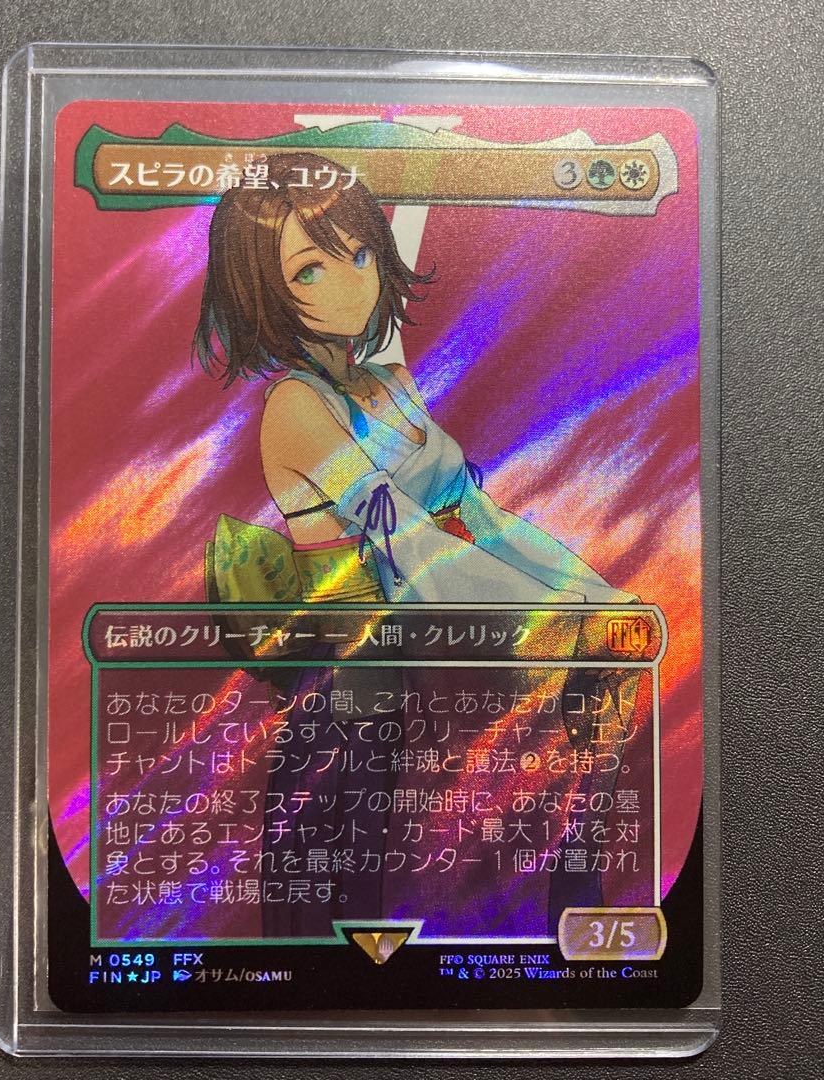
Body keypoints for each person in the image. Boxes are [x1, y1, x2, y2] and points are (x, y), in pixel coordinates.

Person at [194, 151, 639, 936]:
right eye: (308, 270)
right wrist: (567, 623)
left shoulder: (391, 386)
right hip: (353, 714)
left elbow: (478, 517)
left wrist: (594, 598)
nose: (350, 281)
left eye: (359, 253)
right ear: (260, 289)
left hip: (432, 688)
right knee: (348, 930)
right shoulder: (296, 408)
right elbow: (403, 537)